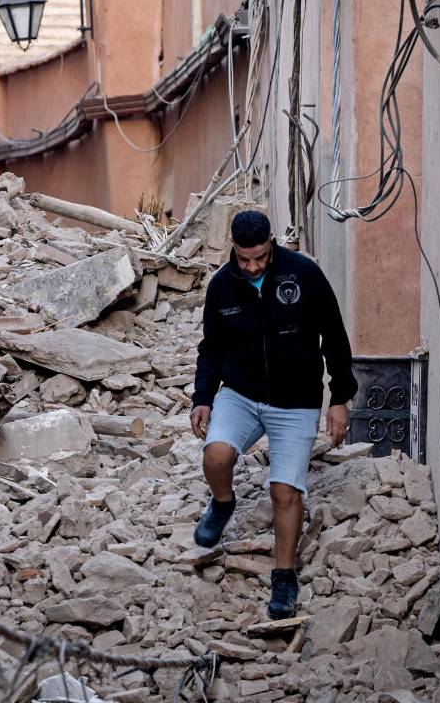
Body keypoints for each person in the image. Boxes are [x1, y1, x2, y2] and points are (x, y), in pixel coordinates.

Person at [189, 210, 356, 620]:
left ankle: (283, 576)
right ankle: (223, 503)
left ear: (271, 244)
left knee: (284, 491)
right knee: (216, 456)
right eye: (245, 259)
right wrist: (203, 397)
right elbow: (211, 348)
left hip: (296, 400)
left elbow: (334, 334)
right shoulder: (222, 287)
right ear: (234, 249)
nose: (252, 266)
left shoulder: (304, 275)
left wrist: (339, 397)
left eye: (260, 257)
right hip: (241, 394)